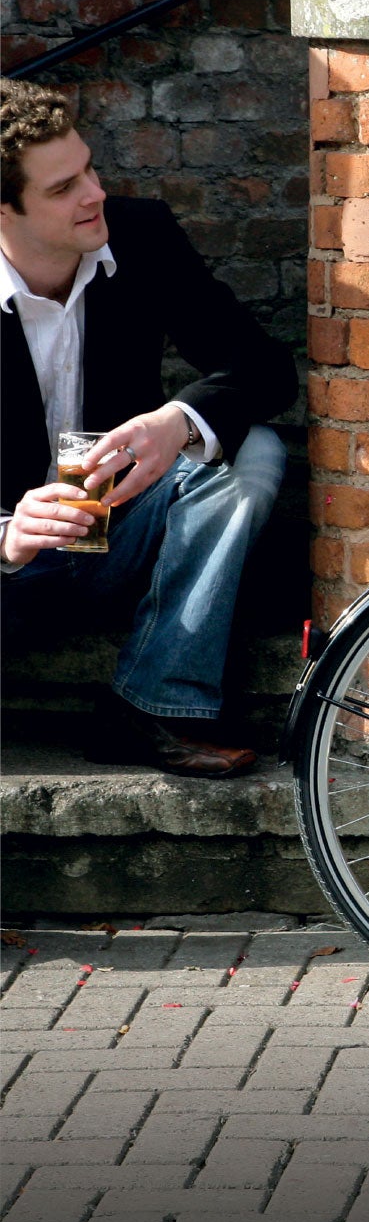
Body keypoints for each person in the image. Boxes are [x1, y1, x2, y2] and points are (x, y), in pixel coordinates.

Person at [1, 78, 296, 777]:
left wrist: (178, 422)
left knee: (253, 450)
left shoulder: (139, 235)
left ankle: (154, 706)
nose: (94, 193)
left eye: (91, 169)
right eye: (62, 187)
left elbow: (263, 366)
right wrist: (6, 535)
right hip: (9, 572)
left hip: (118, 533)